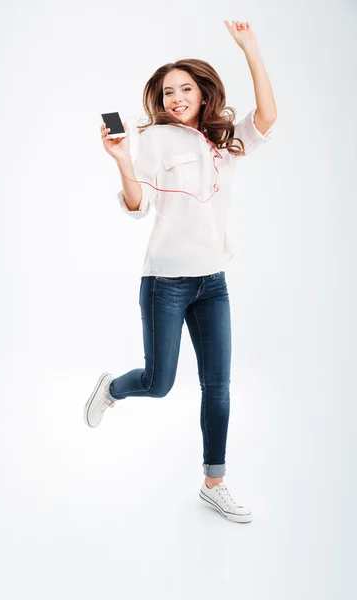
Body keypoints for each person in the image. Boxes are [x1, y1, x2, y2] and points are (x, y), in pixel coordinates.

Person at [84, 21, 277, 523]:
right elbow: (137, 204)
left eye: (185, 88)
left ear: (203, 93)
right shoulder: (152, 140)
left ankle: (214, 483)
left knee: (219, 386)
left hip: (214, 283)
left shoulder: (224, 141)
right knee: (159, 381)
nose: (175, 97)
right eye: (167, 91)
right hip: (165, 284)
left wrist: (251, 48)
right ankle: (111, 388)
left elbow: (267, 118)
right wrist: (122, 159)